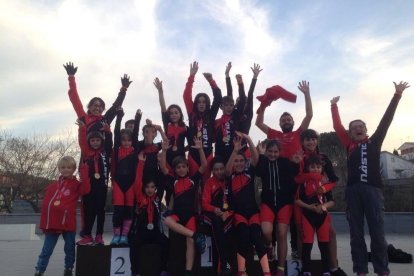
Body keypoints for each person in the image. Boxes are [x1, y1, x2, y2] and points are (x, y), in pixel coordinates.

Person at [330, 81, 410, 276]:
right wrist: (333, 106)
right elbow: (337, 126)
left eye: (361, 126)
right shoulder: (349, 145)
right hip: (353, 192)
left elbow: (386, 120)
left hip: (373, 191)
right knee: (356, 235)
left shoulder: (374, 141)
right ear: (350, 133)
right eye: (354, 127)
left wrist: (397, 95)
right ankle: (360, 271)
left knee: (378, 235)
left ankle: (382, 271)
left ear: (366, 130)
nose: (358, 129)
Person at [256, 80, 312, 258]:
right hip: (277, 179)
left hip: (296, 178)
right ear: (279, 123)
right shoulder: (275, 135)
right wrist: (263, 105)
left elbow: (309, 115)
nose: (286, 121)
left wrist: (306, 94)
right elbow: (258, 122)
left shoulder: (298, 134)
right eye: (283, 119)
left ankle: (296, 248)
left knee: (296, 218)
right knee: (272, 216)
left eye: (288, 119)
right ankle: (270, 247)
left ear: (293, 122)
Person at [299, 129, 347, 276]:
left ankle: (332, 267)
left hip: (321, 202)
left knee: (330, 233)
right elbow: (296, 178)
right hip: (302, 200)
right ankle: (304, 269)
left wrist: (323, 188)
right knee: (302, 235)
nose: (311, 142)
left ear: (317, 141)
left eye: (313, 139)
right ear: (302, 142)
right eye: (307, 140)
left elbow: (333, 179)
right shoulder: (299, 157)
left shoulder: (324, 158)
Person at [34, 156, 90, 276]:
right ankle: (39, 270)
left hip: (68, 222)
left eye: (69, 167)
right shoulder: (53, 186)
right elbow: (47, 203)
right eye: (63, 167)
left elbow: (86, 190)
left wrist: (84, 171)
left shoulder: (76, 184)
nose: (66, 170)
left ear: (74, 169)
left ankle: (68, 269)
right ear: (59, 169)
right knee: (47, 249)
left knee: (69, 248)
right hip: (53, 223)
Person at [225, 133, 271, 276]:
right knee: (243, 238)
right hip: (239, 214)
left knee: (257, 239)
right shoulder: (230, 176)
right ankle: (241, 271)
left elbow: (256, 158)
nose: (238, 163)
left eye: (241, 161)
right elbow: (227, 169)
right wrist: (235, 150)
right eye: (236, 161)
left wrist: (249, 139)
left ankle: (267, 272)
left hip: (254, 213)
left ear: (246, 163)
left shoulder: (251, 172)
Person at [160, 138, 207, 275]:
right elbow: (163, 168)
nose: (181, 169)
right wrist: (163, 150)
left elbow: (204, 166)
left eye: (183, 167)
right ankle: (196, 235)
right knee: (167, 220)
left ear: (187, 167)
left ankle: (188, 271)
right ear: (175, 170)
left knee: (190, 243)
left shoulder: (193, 180)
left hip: (190, 216)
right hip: (177, 215)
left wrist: (200, 149)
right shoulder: (173, 181)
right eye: (178, 167)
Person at [256, 140, 299, 276]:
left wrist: (296, 163)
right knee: (266, 232)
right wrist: (261, 155)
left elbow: (295, 175)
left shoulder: (285, 162)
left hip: (284, 203)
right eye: (270, 151)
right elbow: (258, 171)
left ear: (279, 152)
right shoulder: (263, 162)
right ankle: (269, 246)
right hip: (267, 202)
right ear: (266, 151)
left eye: (275, 152)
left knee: (281, 234)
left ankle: (280, 268)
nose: (273, 154)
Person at [63, 62, 132, 134]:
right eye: (95, 105)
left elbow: (116, 105)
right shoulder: (83, 117)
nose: (97, 108)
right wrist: (71, 77)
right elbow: (75, 99)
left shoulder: (105, 119)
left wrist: (124, 89)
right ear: (89, 107)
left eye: (100, 106)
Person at [129, 152, 169, 276]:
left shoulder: (158, 198)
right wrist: (141, 163)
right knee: (134, 244)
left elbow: (162, 181)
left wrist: (159, 163)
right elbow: (137, 183)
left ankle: (163, 270)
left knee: (167, 243)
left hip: (155, 232)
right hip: (142, 232)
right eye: (147, 187)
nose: (150, 189)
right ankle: (135, 272)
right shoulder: (141, 198)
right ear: (144, 188)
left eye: (152, 187)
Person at [295, 155, 335, 276]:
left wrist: (323, 207)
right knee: (307, 244)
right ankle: (306, 271)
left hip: (322, 216)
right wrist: (310, 207)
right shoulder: (303, 183)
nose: (316, 169)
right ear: (307, 168)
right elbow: (297, 200)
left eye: (318, 167)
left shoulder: (325, 183)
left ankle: (326, 271)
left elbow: (332, 201)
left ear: (322, 168)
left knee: (324, 244)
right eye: (313, 167)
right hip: (307, 215)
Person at [183, 61, 222, 180]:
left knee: (205, 186)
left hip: (208, 154)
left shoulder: (210, 114)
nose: (201, 104)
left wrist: (211, 81)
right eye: (199, 102)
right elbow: (186, 96)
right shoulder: (192, 113)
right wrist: (191, 77)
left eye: (204, 102)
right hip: (193, 155)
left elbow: (218, 97)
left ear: (207, 104)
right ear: (195, 103)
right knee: (194, 186)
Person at [76, 120, 112, 245]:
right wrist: (82, 129)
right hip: (88, 187)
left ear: (101, 141)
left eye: (97, 140)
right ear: (89, 142)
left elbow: (109, 142)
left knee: (100, 211)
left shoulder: (105, 151)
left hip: (101, 186)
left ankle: (99, 235)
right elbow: (81, 140)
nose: (95, 143)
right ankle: (87, 235)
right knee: (88, 211)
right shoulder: (87, 152)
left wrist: (108, 131)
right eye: (92, 140)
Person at [110, 108, 141, 245]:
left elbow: (135, 135)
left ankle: (124, 235)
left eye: (129, 140)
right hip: (118, 183)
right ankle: (116, 235)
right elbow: (117, 133)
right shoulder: (117, 150)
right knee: (118, 211)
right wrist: (119, 117)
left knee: (129, 211)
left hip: (130, 184)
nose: (127, 142)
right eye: (124, 140)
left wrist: (137, 118)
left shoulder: (135, 150)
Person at [202, 157, 233, 275]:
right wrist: (215, 209)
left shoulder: (229, 181)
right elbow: (204, 204)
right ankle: (225, 262)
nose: (219, 172)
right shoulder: (209, 182)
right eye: (216, 169)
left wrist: (227, 213)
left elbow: (233, 203)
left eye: (221, 169)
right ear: (212, 171)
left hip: (227, 213)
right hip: (211, 214)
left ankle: (221, 267)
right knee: (217, 223)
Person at [154, 77, 188, 172]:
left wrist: (183, 149)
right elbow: (163, 107)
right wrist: (160, 91)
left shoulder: (185, 128)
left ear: (180, 114)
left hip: (180, 160)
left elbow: (192, 142)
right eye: (171, 113)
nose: (173, 115)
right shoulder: (167, 125)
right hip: (168, 158)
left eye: (176, 113)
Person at [214, 73, 245, 163]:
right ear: (221, 107)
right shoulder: (217, 122)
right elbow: (215, 138)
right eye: (226, 105)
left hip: (233, 153)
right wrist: (227, 75)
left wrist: (240, 83)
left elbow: (242, 100)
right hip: (220, 154)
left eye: (231, 105)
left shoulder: (235, 116)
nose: (229, 107)